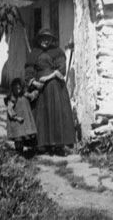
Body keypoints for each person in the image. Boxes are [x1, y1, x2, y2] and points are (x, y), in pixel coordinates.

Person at [25, 27, 76, 155]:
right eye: (43, 38)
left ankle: (58, 145)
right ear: (39, 40)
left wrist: (48, 77)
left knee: (56, 114)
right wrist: (34, 82)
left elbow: (61, 70)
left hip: (55, 88)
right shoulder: (34, 53)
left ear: (51, 40)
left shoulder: (57, 52)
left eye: (48, 39)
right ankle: (41, 144)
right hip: (40, 89)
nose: (46, 41)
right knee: (41, 116)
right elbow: (29, 70)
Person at [5, 77, 37, 153]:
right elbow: (9, 109)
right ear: (12, 88)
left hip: (24, 121)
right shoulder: (13, 98)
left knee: (24, 136)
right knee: (18, 138)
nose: (17, 89)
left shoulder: (24, 95)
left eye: (19, 87)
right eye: (15, 87)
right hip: (17, 121)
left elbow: (32, 96)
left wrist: (36, 92)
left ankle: (25, 151)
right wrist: (16, 117)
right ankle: (19, 153)